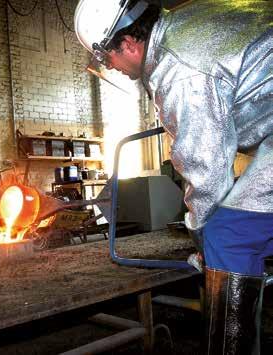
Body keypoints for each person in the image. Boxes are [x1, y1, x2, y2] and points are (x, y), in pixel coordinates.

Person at [74, 0, 273, 354]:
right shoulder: (186, 23)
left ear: (129, 45)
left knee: (229, 237)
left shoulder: (177, 68)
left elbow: (207, 174)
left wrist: (205, 243)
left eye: (107, 59)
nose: (112, 67)